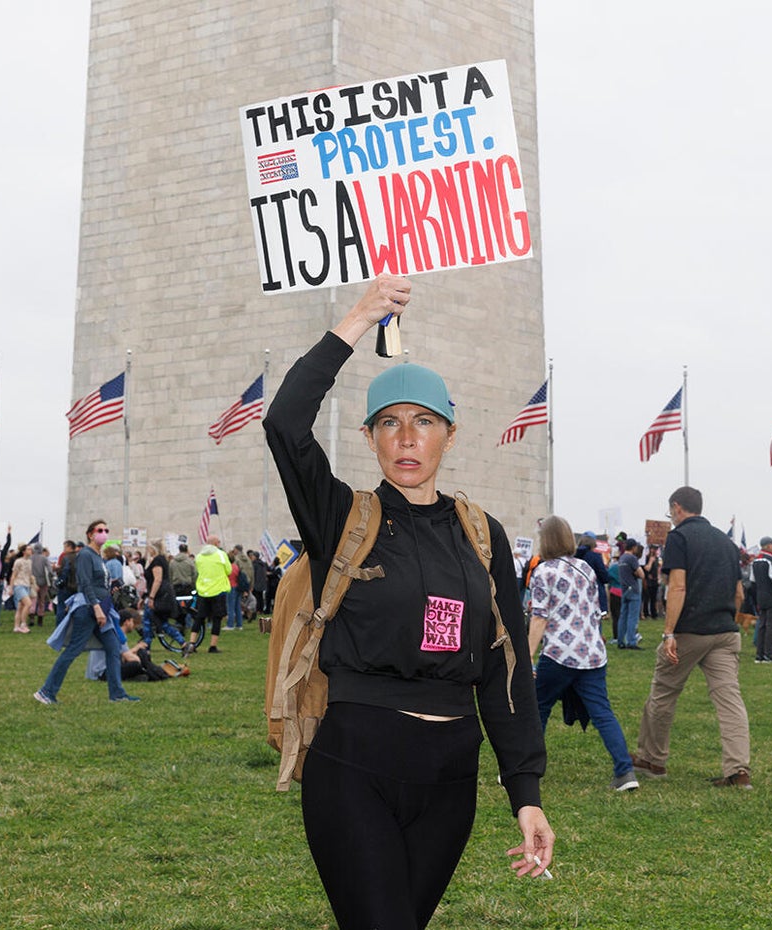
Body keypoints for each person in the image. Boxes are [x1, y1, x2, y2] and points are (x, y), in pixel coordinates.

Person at [263, 273, 553, 929]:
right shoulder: (343, 518)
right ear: (369, 439)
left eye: (423, 422)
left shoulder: (483, 536)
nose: (406, 437)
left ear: (449, 433)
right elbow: (284, 424)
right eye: (389, 424)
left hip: (449, 781)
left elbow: (507, 676)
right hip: (352, 767)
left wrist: (526, 794)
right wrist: (357, 320)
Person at [632, 486, 752, 788]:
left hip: (689, 631)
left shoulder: (679, 537)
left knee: (663, 694)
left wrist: (669, 632)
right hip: (725, 632)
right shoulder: (727, 542)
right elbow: (739, 593)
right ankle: (739, 770)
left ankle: (653, 759)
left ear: (676, 508)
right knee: (730, 702)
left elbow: (678, 587)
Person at [528, 515, 638, 792]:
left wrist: (527, 656)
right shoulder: (586, 569)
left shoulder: (544, 571)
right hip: (591, 653)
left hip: (559, 653)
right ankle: (625, 771)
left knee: (538, 709)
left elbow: (539, 618)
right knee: (603, 712)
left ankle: (525, 770)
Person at [34, 519, 139, 705]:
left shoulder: (99, 557)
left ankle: (117, 694)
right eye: (100, 530)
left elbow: (98, 583)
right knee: (73, 650)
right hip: (89, 609)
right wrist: (97, 607)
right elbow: (84, 583)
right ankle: (46, 691)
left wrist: (111, 588)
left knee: (114, 647)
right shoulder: (85, 555)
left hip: (102, 609)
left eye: (106, 529)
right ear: (90, 534)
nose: (104, 533)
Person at [141, 541, 183, 650]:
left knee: (148, 621)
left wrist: (151, 597)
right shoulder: (161, 560)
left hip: (159, 595)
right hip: (162, 594)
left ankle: (146, 646)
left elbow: (157, 580)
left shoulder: (157, 561)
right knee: (159, 621)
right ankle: (182, 642)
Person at [614, 539, 645, 649]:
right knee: (632, 617)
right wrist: (636, 573)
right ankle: (631, 641)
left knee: (623, 616)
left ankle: (620, 641)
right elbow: (641, 574)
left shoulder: (622, 558)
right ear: (634, 547)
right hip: (633, 589)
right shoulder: (632, 558)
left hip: (624, 589)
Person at [10, 544, 34, 633]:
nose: (30, 551)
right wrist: (11, 588)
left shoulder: (30, 562)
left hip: (27, 585)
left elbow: (29, 574)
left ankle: (16, 626)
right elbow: (13, 575)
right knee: (28, 604)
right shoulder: (18, 561)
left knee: (20, 607)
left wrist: (33, 584)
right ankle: (23, 624)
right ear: (23, 551)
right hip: (19, 585)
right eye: (28, 549)